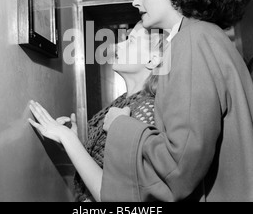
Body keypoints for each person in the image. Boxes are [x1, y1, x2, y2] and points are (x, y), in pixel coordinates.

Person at [101, 0, 253, 202]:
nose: (136, 1)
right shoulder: (203, 36)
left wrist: (120, 125)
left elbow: (178, 168)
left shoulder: (192, 40)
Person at [28, 22, 165, 202]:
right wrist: (72, 141)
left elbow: (115, 196)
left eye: (130, 41)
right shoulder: (123, 101)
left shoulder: (148, 109)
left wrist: (68, 139)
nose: (117, 46)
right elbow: (103, 165)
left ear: (152, 60)